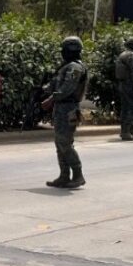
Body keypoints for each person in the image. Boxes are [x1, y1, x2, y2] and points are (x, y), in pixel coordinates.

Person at [42, 36, 88, 188]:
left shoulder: (75, 67)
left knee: (65, 143)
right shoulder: (66, 66)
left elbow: (68, 87)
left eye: (64, 50)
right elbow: (55, 84)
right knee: (60, 143)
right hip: (62, 108)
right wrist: (41, 90)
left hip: (69, 109)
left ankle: (78, 175)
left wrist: (52, 98)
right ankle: (64, 176)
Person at [115, 37, 133, 141]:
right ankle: (126, 132)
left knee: (125, 109)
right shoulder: (132, 56)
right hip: (130, 85)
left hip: (123, 85)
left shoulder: (123, 54)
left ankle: (127, 131)